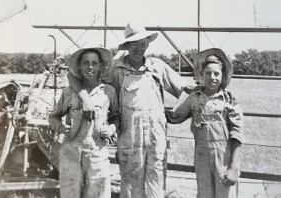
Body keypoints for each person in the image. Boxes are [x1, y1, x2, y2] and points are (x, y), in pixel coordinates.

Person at [67, 23, 192, 198]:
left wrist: (177, 114)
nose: (139, 48)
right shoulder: (115, 68)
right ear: (126, 46)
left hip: (156, 136)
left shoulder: (157, 66)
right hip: (129, 135)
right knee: (131, 187)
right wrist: (85, 99)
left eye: (142, 44)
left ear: (148, 44)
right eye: (134, 44)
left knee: (156, 184)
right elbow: (72, 75)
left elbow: (187, 90)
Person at [166, 48, 244, 198]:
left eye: (216, 74)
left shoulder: (229, 100)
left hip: (224, 156)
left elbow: (237, 134)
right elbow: (174, 117)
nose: (212, 77)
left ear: (223, 76)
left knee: (225, 194)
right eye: (208, 73)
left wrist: (234, 167)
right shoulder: (194, 97)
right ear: (201, 75)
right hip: (201, 154)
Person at [48, 47, 119, 198]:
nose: (90, 67)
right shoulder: (68, 92)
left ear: (100, 66)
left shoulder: (108, 91)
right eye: (86, 63)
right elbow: (52, 117)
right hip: (70, 153)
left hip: (97, 154)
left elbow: (116, 117)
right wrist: (61, 127)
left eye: (94, 63)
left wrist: (111, 129)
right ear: (79, 66)